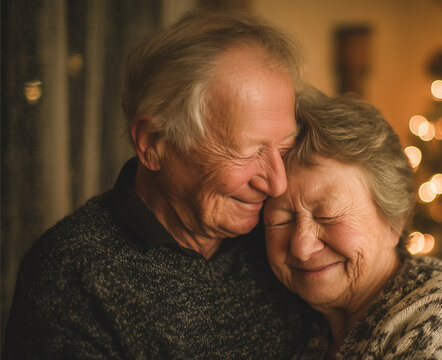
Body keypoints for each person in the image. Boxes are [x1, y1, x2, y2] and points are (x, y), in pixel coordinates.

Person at [4, 11, 311, 359]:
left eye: (285, 148)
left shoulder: (285, 238)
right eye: (247, 152)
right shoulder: (72, 273)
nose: (277, 183)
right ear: (153, 142)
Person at [263, 87, 442, 359]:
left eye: (328, 215)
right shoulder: (300, 319)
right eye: (280, 220)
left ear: (394, 221)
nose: (301, 247)